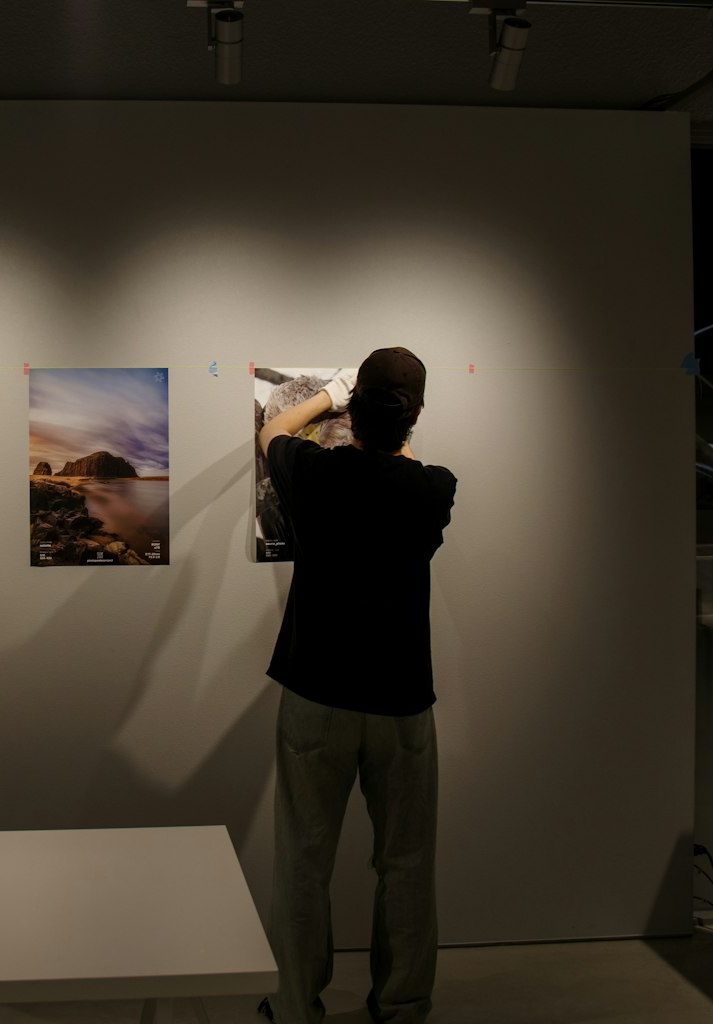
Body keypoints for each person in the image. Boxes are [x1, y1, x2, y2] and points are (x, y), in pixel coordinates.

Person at [256, 347, 456, 1024]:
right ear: (416, 416)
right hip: (401, 702)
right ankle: (402, 1005)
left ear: (355, 407)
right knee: (405, 863)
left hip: (316, 694)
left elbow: (271, 435)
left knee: (302, 861)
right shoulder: (434, 489)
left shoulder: (317, 474)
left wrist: (325, 397)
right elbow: (397, 469)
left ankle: (293, 1004)